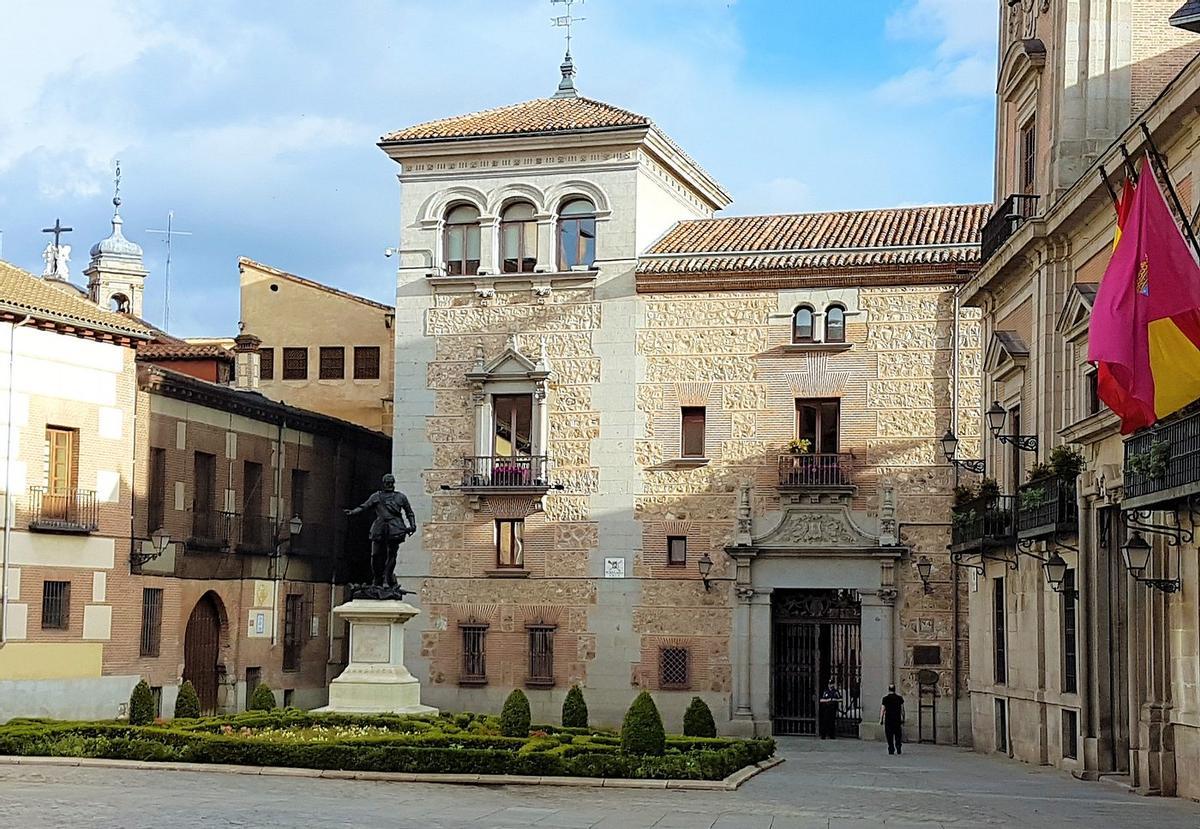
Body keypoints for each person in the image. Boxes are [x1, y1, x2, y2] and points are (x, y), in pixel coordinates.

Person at [344, 473, 415, 587]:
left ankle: (387, 578)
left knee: (391, 554)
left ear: (394, 483)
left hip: (395, 527)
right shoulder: (376, 496)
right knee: (375, 554)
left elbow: (409, 512)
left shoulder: (400, 497)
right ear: (384, 483)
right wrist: (352, 512)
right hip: (380, 526)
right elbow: (364, 506)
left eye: (391, 482)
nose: (389, 485)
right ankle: (377, 578)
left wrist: (413, 524)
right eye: (387, 482)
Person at [880, 684, 905, 755]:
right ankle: (898, 747)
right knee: (898, 734)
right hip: (897, 719)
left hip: (888, 719)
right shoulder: (899, 698)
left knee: (889, 735)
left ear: (889, 689)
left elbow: (882, 709)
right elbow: (902, 709)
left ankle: (891, 748)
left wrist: (881, 719)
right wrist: (903, 717)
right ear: (895, 689)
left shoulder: (885, 699)